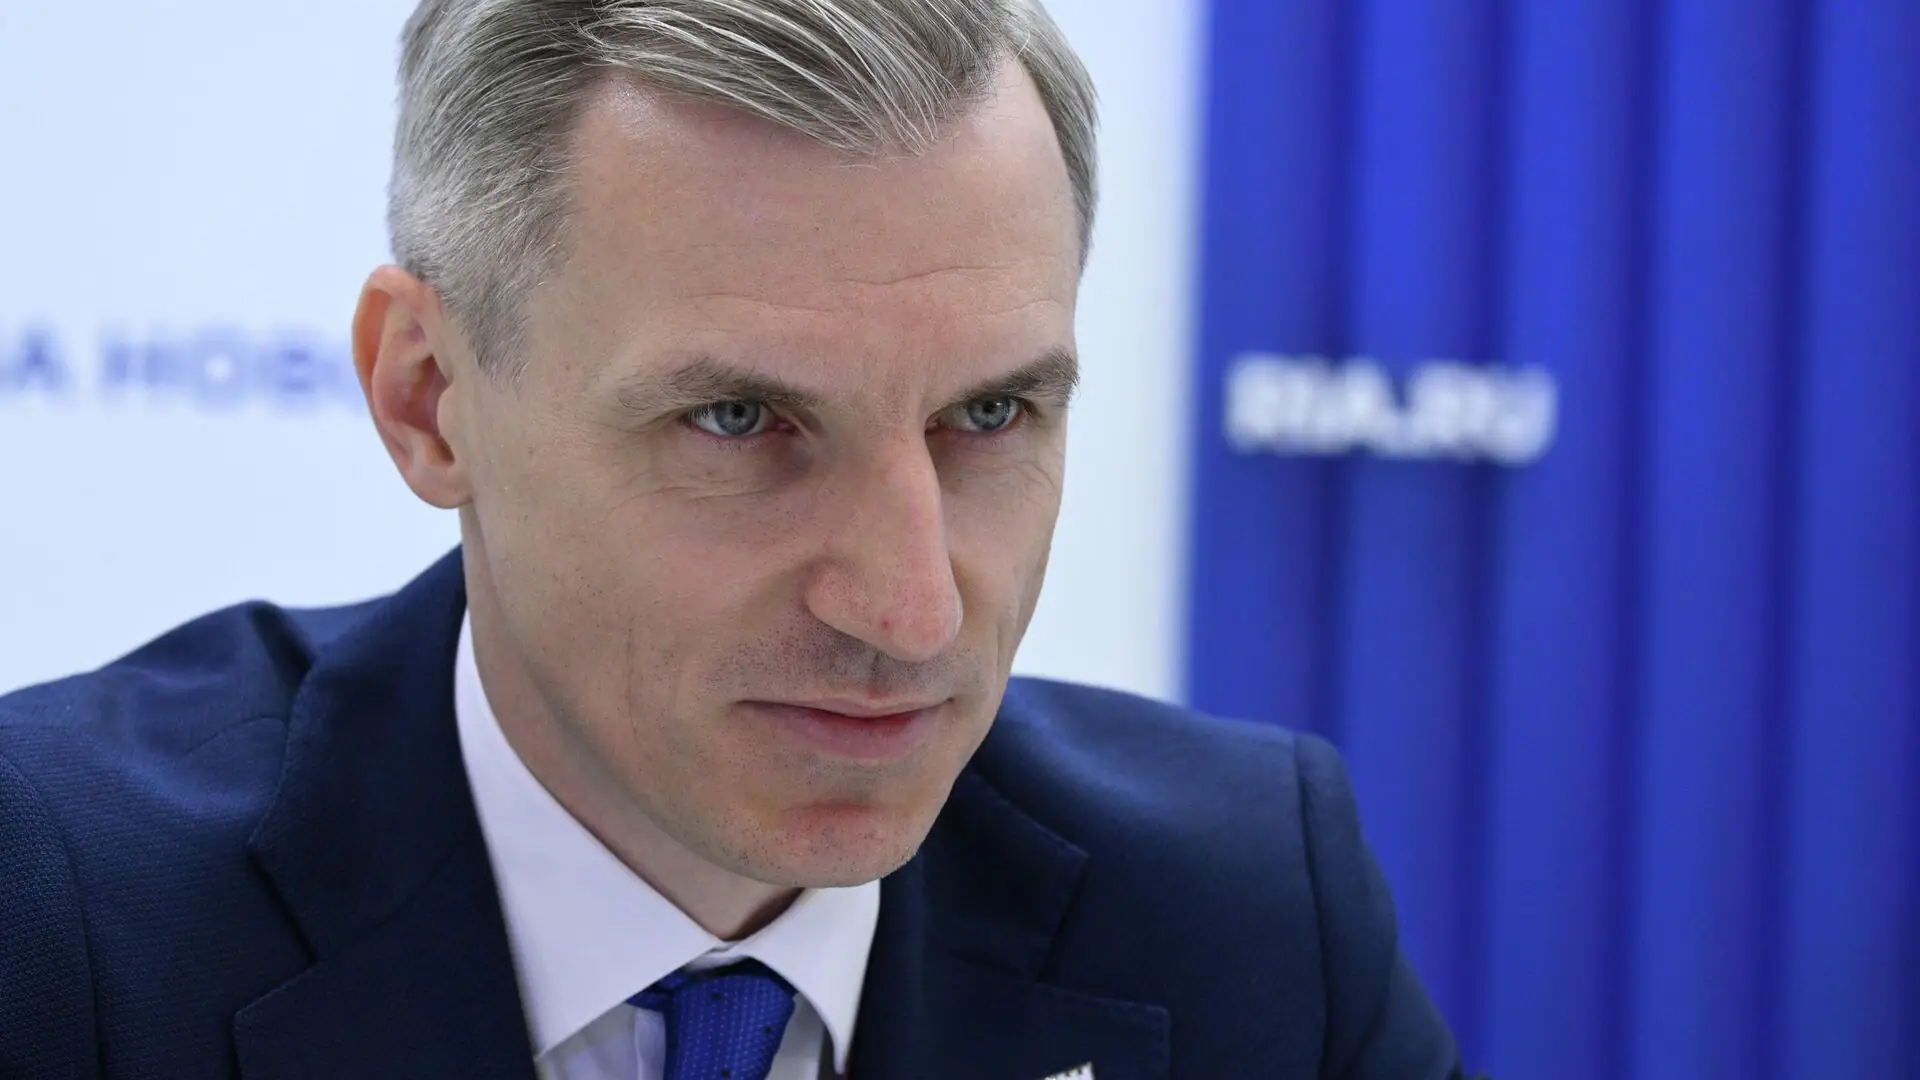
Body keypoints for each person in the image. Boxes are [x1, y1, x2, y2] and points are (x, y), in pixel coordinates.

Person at [0, 1, 1481, 1077]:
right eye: (738, 421)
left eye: (989, 414)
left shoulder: (1248, 919)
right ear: (429, 397)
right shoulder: (56, 918)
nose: (911, 611)